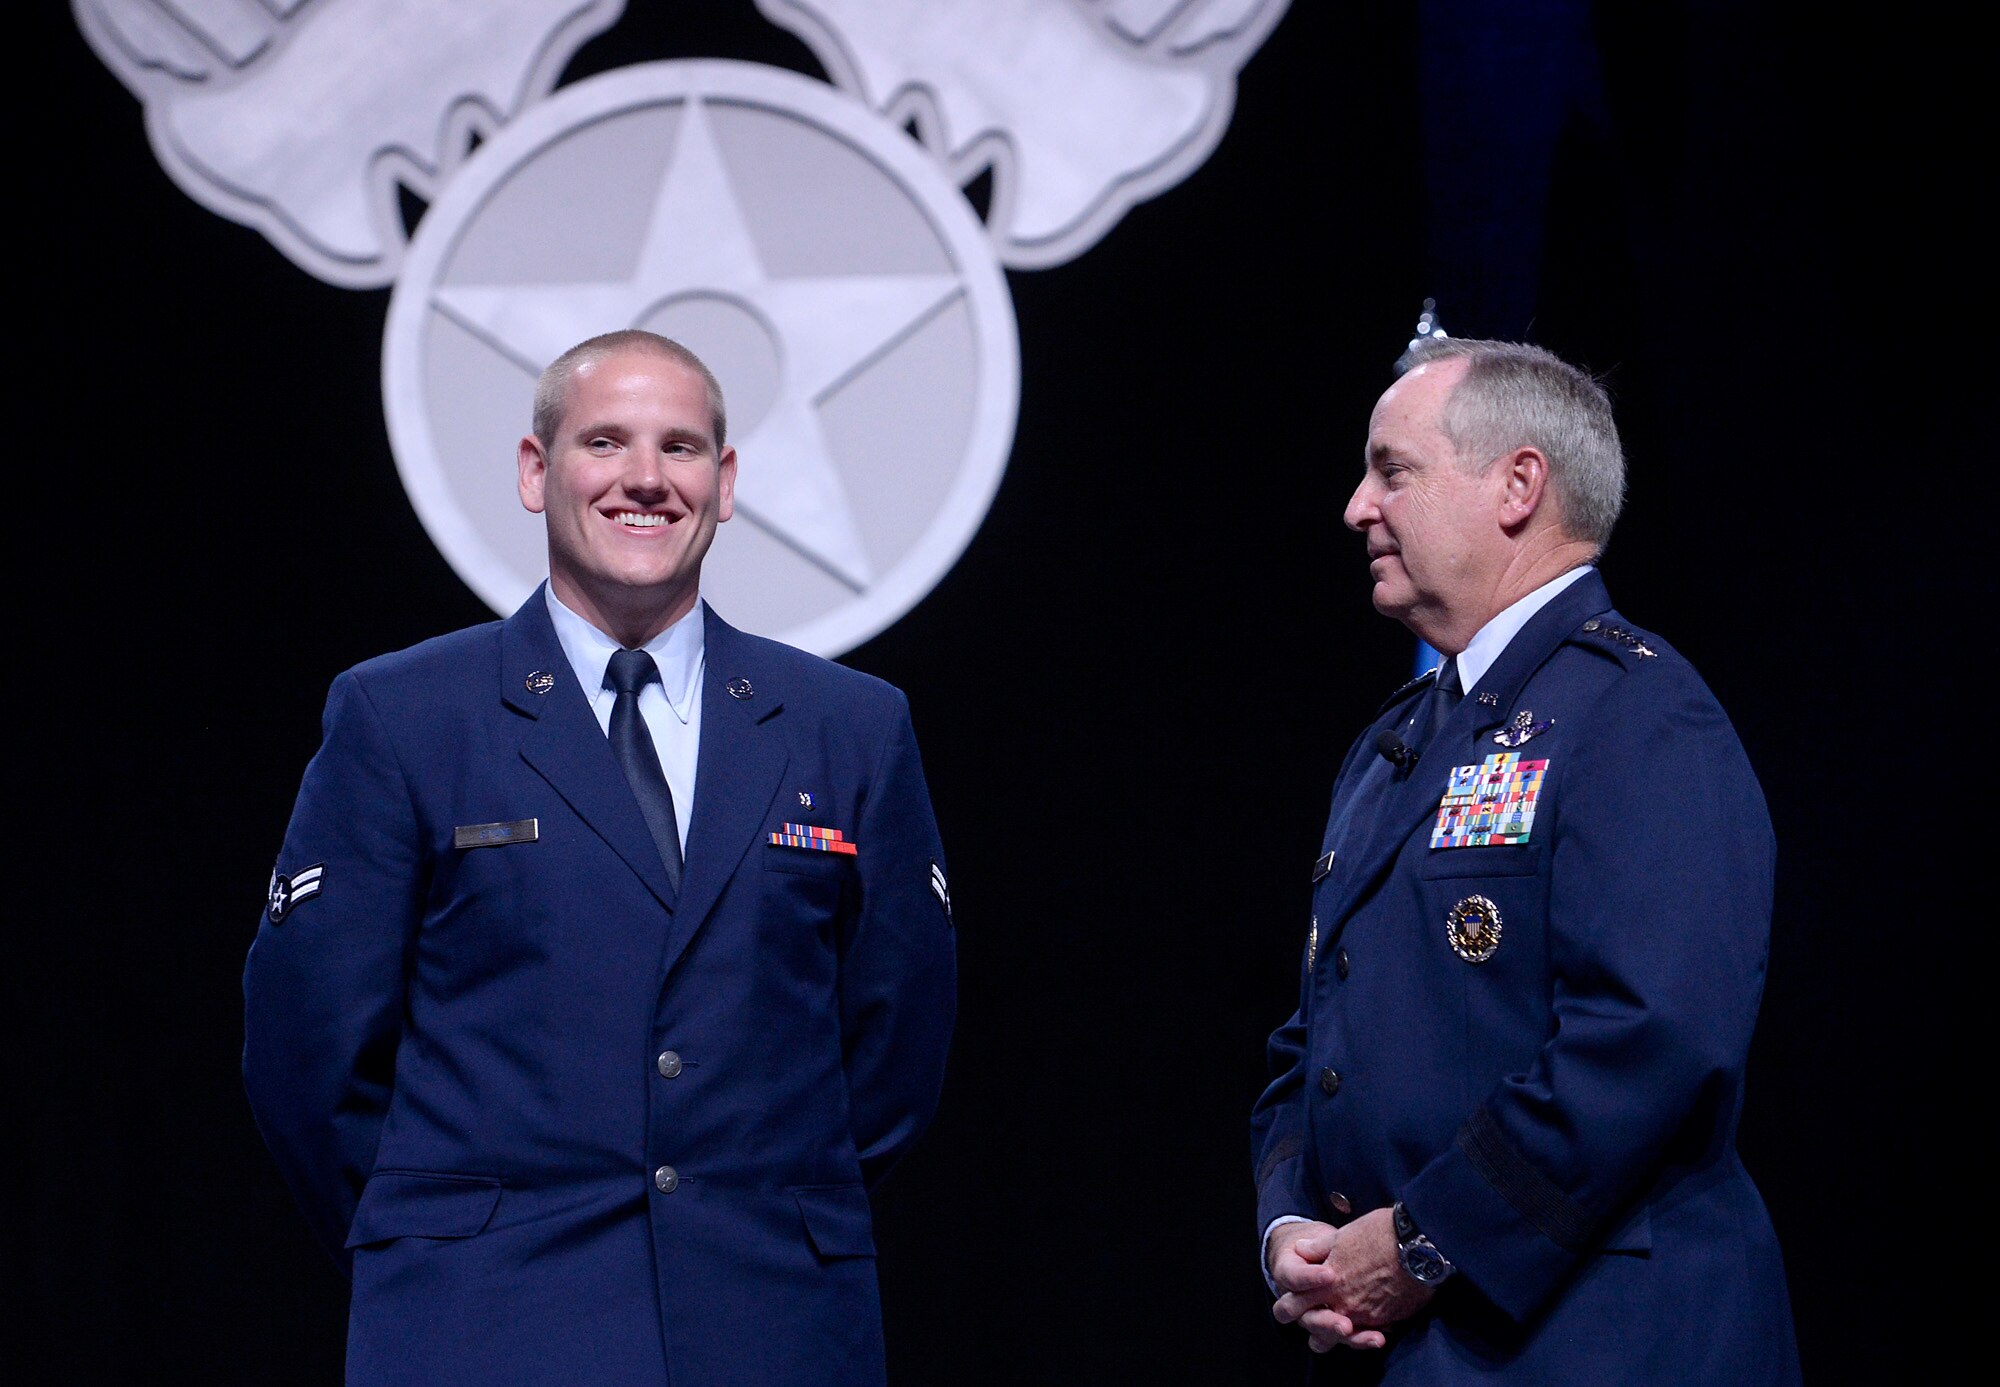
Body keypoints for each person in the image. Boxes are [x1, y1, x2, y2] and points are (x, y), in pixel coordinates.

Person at [244, 330, 955, 1386]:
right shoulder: (401, 715)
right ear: (537, 473)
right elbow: (310, 1050)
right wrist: (443, 1234)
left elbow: (895, 1044)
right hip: (483, 1327)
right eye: (605, 441)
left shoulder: (848, 725)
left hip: (770, 1325)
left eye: (679, 448)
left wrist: (750, 1206)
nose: (643, 479)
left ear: (722, 483)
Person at [1251, 338, 1798, 1382]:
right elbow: (1307, 1041)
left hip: (1597, 1339)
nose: (1357, 506)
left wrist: (1420, 1241)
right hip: (1407, 1348)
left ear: (1516, 485)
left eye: (1392, 469)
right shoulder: (1389, 744)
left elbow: (1651, 1034)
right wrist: (1292, 1237)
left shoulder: (1637, 712)